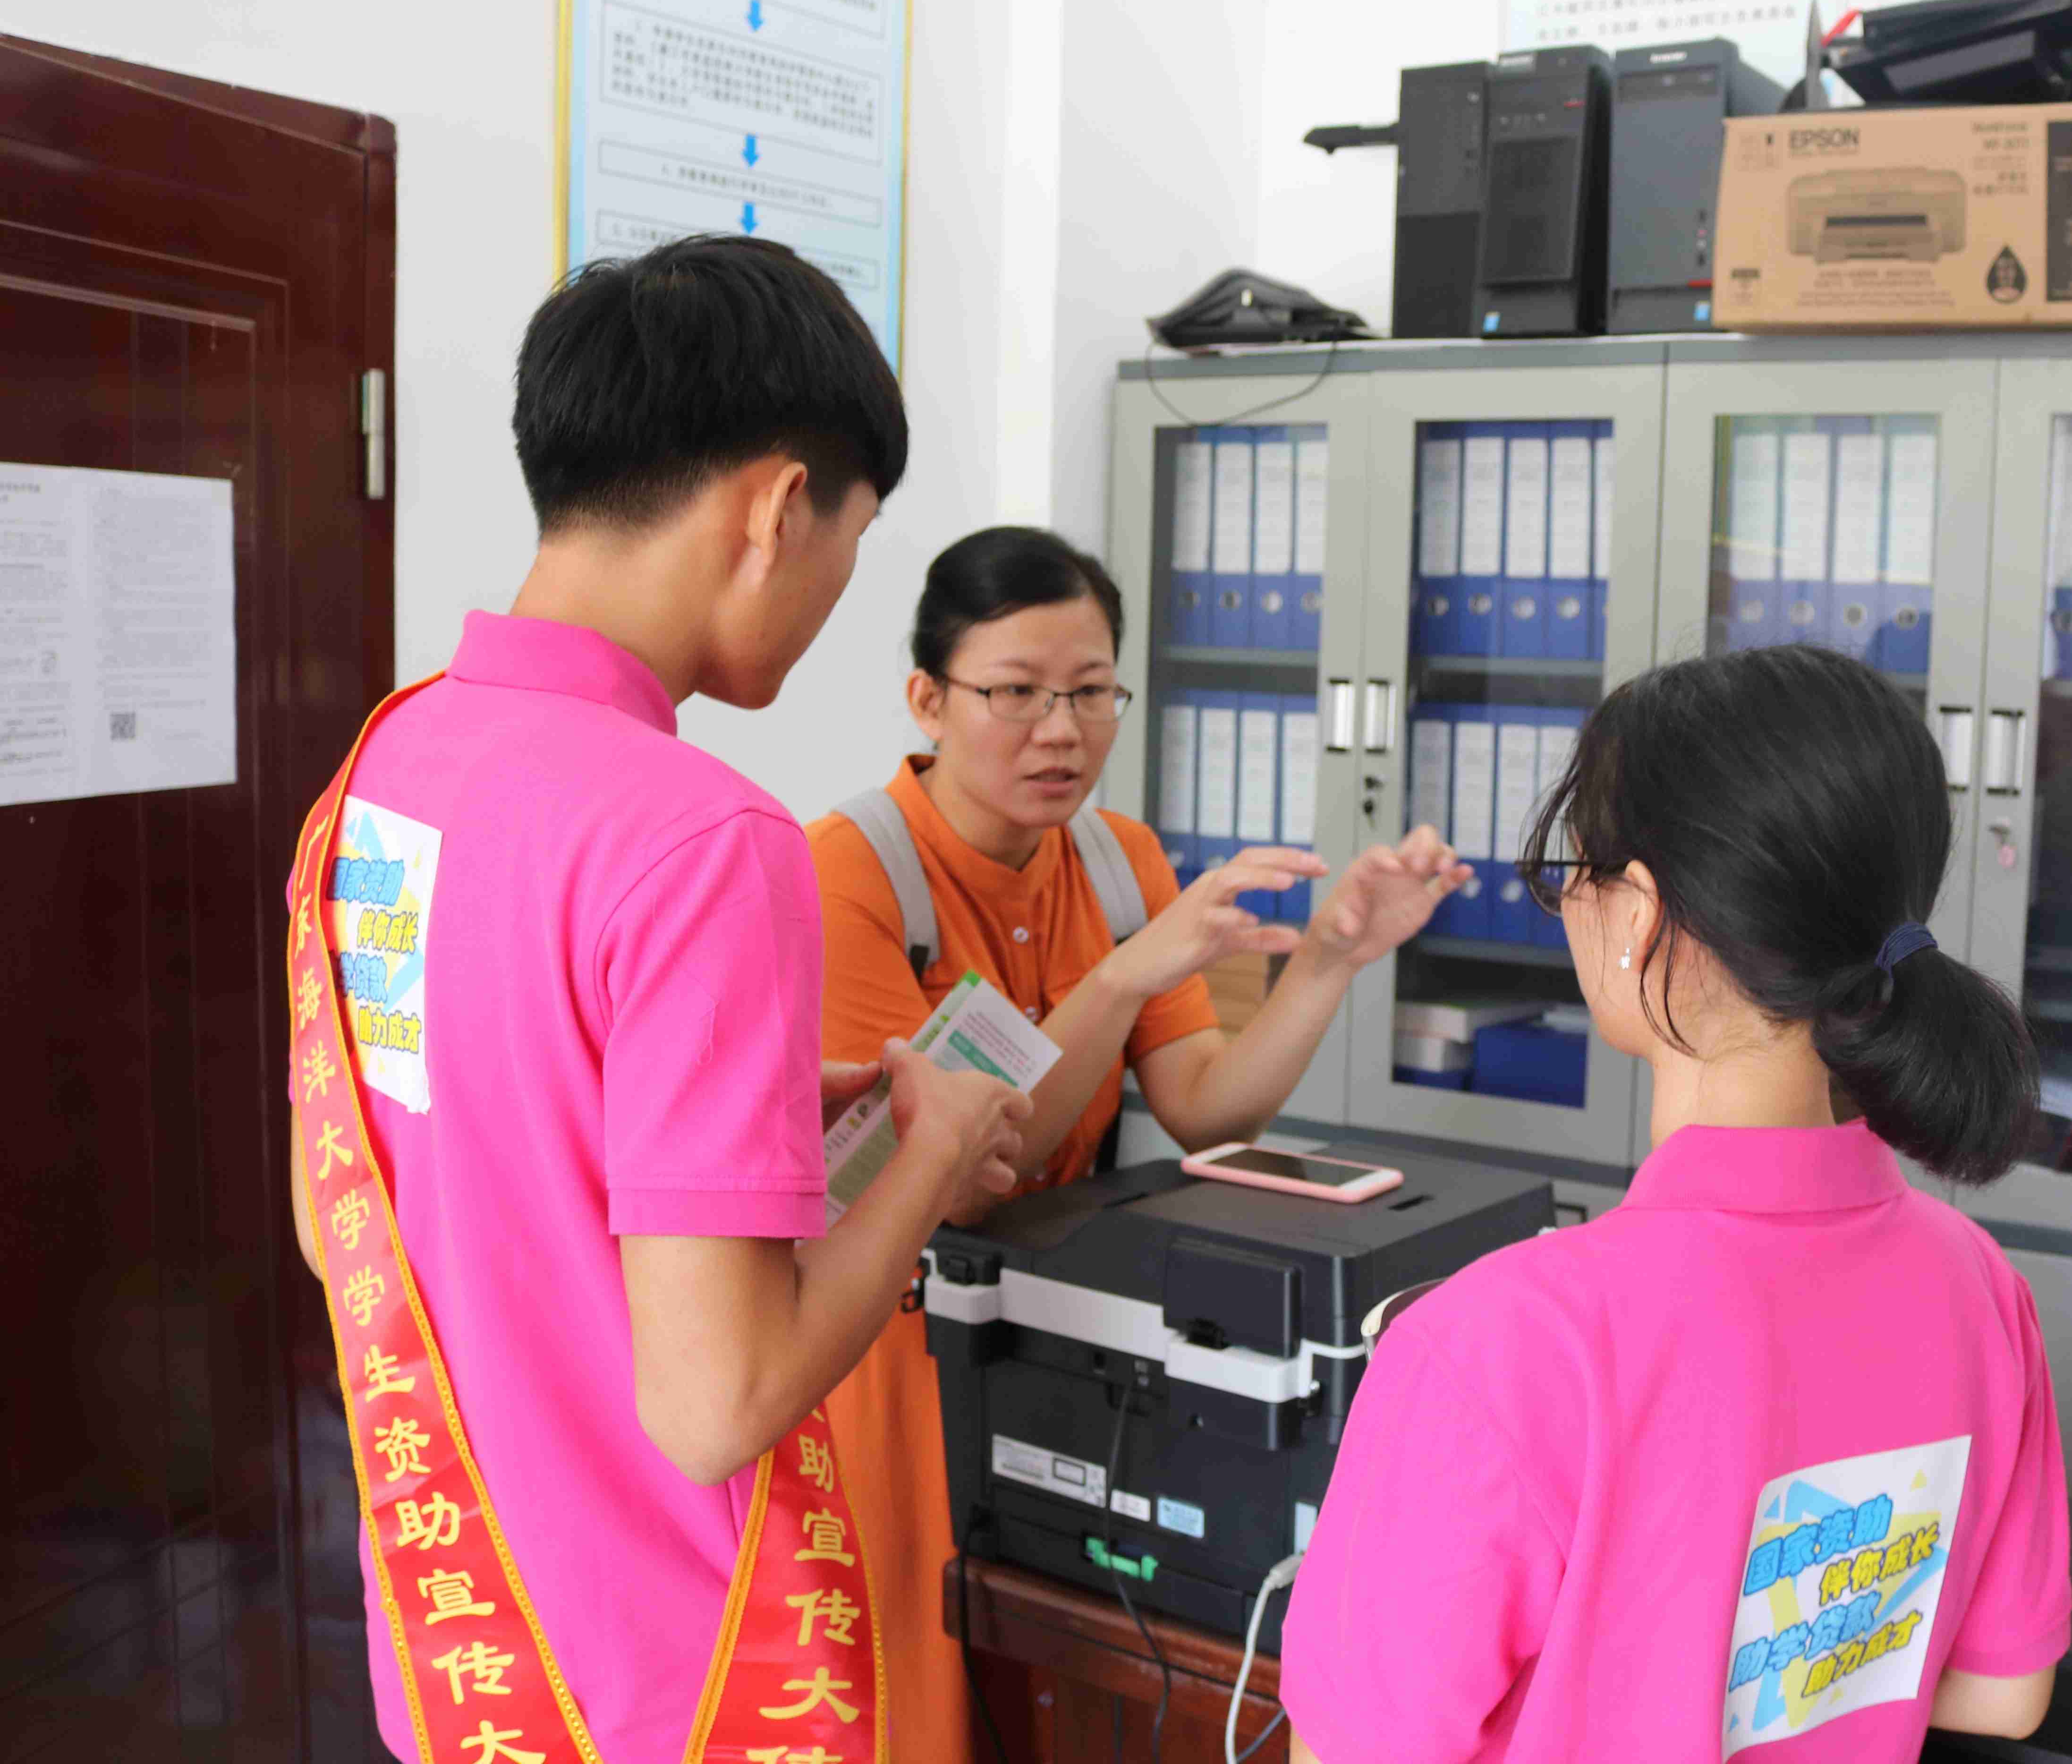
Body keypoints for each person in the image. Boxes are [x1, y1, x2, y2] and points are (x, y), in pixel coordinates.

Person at [283, 236, 1029, 1762]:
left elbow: (342, 1212)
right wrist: (935, 1152)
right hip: (670, 1684)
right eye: (852, 541)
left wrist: (733, 1132)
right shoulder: (704, 839)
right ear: (775, 507)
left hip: (462, 1648)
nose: (834, 595)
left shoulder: (379, 771)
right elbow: (717, 1405)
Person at [1280, 643, 2072, 1764]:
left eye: (1576, 867)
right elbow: (2003, 1692)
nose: (1570, 901)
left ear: (1640, 915)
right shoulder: (1979, 1283)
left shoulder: (1498, 1341)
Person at [805, 525, 1470, 1756]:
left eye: (1092, 692)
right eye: (1016, 692)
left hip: (1061, 1337)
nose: (1060, 731)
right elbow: (949, 1180)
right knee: (918, 1703)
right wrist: (1120, 980)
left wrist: (1330, 958)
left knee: (1072, 1685)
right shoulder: (848, 875)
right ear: (929, 700)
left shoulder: (1118, 860)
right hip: (898, 1353)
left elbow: (1209, 1107)